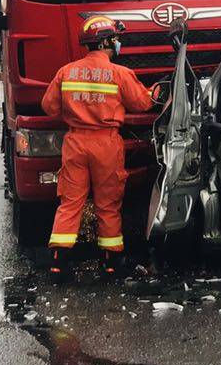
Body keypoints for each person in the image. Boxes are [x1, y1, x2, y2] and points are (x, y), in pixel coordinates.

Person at [41, 15, 154, 262]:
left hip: (75, 143)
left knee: (70, 202)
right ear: (105, 43)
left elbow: (48, 107)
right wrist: (156, 91)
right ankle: (111, 261)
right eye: (115, 39)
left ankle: (59, 260)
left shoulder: (66, 72)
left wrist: (76, 112)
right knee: (108, 203)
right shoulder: (120, 73)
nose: (117, 44)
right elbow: (142, 103)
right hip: (106, 144)